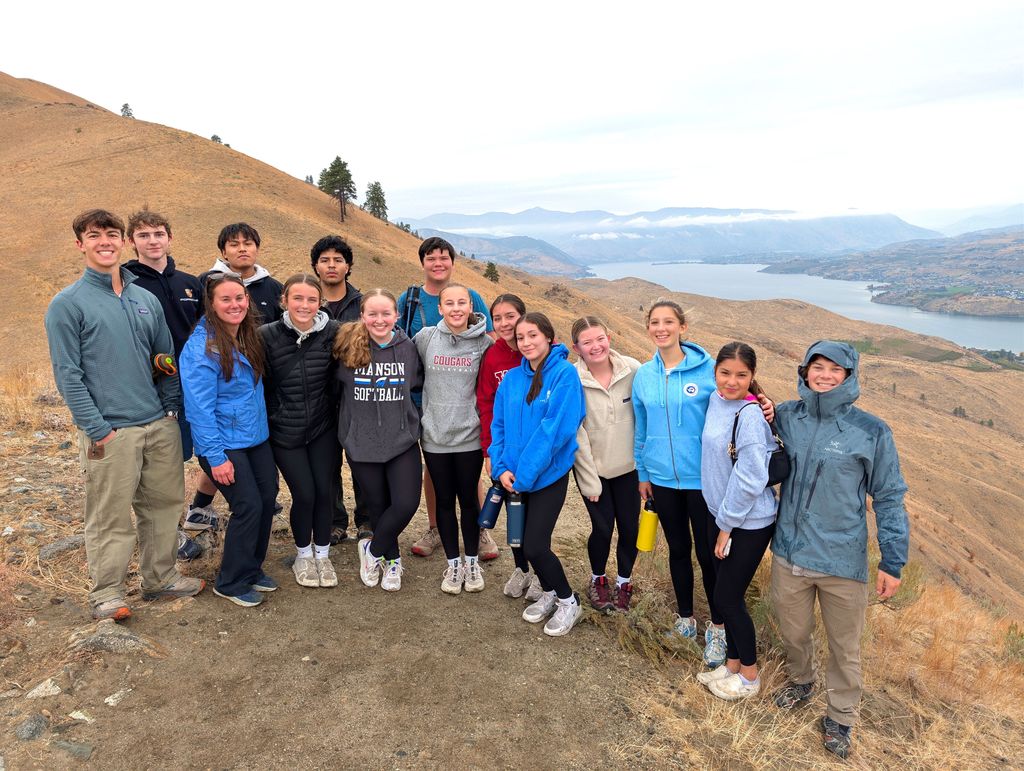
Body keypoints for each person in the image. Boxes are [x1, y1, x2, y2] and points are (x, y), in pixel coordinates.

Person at [45, 209, 204, 621]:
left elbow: (164, 358)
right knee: (110, 516)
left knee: (165, 507)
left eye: (111, 234)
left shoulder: (144, 299)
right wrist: (97, 428)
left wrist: (171, 408)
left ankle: (161, 579)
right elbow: (68, 374)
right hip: (111, 432)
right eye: (94, 235)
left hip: (158, 423)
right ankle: (107, 594)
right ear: (80, 244)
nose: (105, 242)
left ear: (121, 242)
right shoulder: (67, 304)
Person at [770, 341, 909, 760]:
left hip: (842, 561)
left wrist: (893, 560)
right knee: (793, 631)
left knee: (845, 646)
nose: (825, 374)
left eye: (835, 369)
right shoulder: (784, 416)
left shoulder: (872, 431)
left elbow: (888, 496)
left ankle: (841, 716)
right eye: (818, 367)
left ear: (849, 376)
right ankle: (801, 680)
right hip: (790, 553)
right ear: (804, 371)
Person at [632, 299, 773, 667]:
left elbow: (739, 392)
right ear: (648, 328)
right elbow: (642, 427)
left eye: (668, 322)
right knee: (678, 552)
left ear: (682, 327)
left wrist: (767, 404)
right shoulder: (644, 376)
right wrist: (644, 473)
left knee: (709, 557)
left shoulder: (707, 369)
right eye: (654, 322)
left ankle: (720, 628)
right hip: (662, 479)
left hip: (703, 483)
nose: (661, 328)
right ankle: (684, 620)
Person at [181, 274, 278, 607]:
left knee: (267, 499)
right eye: (226, 299)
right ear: (211, 303)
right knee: (248, 505)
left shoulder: (246, 336)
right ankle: (231, 580)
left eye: (239, 297)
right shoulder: (201, 348)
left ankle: (251, 569)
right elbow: (199, 409)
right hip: (223, 442)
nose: (234, 304)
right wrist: (215, 456)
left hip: (255, 436)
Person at [398, 236, 498, 562]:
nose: (438, 263)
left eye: (444, 258)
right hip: (419, 399)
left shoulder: (474, 297)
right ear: (422, 262)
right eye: (431, 258)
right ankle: (435, 528)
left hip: (463, 400)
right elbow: (398, 340)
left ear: (453, 262)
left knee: (469, 472)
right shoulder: (409, 298)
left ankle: (479, 530)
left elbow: (489, 340)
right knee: (434, 468)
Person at [490, 313, 586, 637]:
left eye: (533, 335)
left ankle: (569, 601)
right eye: (521, 338)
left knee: (534, 545)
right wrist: (500, 466)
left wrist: (524, 476)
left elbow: (554, 432)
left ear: (548, 337)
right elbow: (498, 426)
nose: (527, 342)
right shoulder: (512, 381)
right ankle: (548, 593)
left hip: (546, 477)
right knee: (519, 539)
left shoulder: (564, 375)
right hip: (513, 477)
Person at [123, 209, 207, 561]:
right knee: (163, 466)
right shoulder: (125, 284)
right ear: (132, 242)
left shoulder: (190, 282)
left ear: (170, 238)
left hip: (198, 387)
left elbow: (207, 331)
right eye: (144, 235)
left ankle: (202, 510)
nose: (152, 241)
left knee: (208, 451)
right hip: (154, 390)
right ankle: (167, 533)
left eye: (158, 233)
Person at [695, 343, 778, 701]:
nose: (732, 381)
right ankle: (730, 665)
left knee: (729, 598)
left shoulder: (750, 415)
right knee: (720, 592)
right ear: (715, 372)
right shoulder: (717, 400)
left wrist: (726, 525)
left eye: (741, 375)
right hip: (721, 514)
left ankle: (749, 677)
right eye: (726, 373)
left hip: (748, 522)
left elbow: (750, 477)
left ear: (752, 376)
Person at [335, 289, 424, 592]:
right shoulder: (347, 345)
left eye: (386, 313)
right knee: (378, 505)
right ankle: (393, 560)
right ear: (362, 316)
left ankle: (371, 551)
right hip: (361, 442)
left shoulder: (408, 348)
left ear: (396, 316)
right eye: (372, 313)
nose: (379, 319)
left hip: (402, 440)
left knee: (406, 503)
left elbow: (416, 383)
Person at [259, 274, 341, 588]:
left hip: (323, 428)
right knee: (304, 494)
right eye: (298, 298)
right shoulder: (266, 335)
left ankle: (323, 555)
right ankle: (303, 555)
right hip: (284, 431)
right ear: (284, 300)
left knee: (325, 493)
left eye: (311, 299)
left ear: (320, 303)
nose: (304, 305)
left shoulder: (334, 332)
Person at [414, 285, 493, 594]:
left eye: (462, 302)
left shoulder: (484, 344)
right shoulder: (426, 338)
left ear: (471, 305)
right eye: (450, 303)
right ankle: (453, 563)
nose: (456, 308)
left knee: (469, 502)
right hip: (434, 436)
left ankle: (471, 561)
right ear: (441, 307)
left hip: (469, 436)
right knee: (444, 503)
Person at [571, 316, 642, 612]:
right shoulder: (572, 379)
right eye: (587, 342)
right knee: (602, 528)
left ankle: (623, 582)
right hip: (594, 472)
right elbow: (577, 432)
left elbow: (646, 418)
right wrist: (589, 481)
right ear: (577, 348)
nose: (595, 346)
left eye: (599, 338)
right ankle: (598, 579)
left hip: (630, 470)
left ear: (609, 337)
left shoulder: (633, 370)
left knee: (629, 529)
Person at [476, 294, 540, 599]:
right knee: (514, 513)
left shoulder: (539, 351)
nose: (503, 324)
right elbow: (486, 405)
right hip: (506, 451)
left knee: (537, 517)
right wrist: (490, 450)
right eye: (497, 317)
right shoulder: (493, 355)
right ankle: (521, 569)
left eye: (510, 316)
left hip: (538, 454)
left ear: (523, 316)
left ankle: (539, 572)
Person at [309, 235, 370, 545]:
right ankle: (335, 521)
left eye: (337, 260)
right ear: (315, 266)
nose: (331, 265)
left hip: (357, 396)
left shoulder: (362, 305)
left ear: (348, 266)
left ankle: (367, 520)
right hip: (318, 397)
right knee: (327, 462)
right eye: (324, 260)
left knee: (361, 460)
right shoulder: (306, 300)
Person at [200, 222, 283, 325]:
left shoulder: (275, 289)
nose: (242, 249)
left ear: (257, 250)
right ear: (224, 253)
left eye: (248, 244)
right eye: (234, 245)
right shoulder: (205, 281)